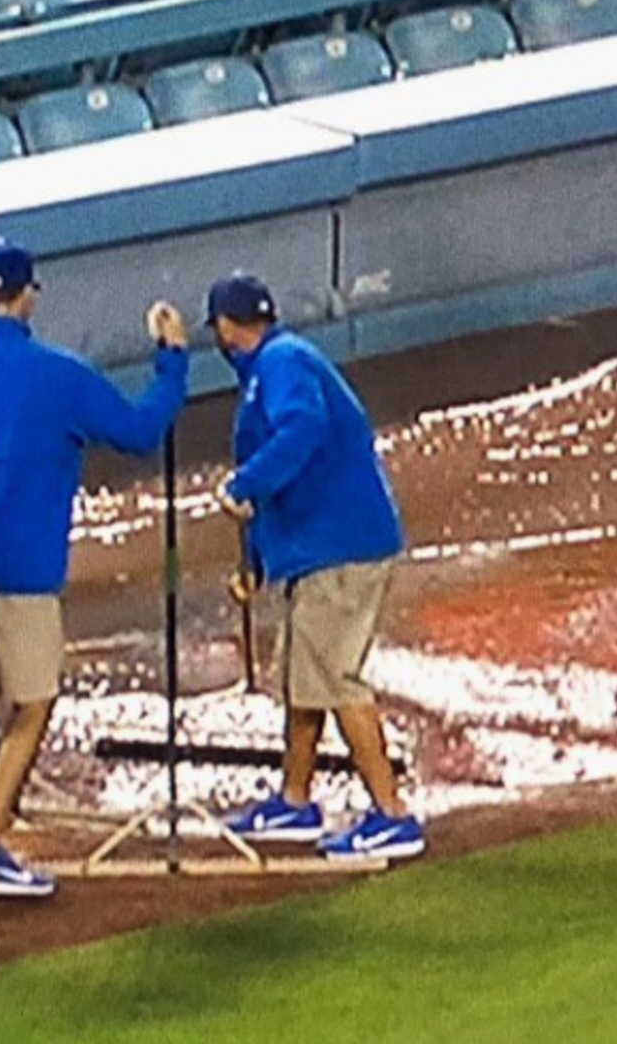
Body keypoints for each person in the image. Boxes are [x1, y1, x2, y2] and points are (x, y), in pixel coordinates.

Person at [0, 241, 189, 895]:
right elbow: (139, 433)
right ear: (27, 296)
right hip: (20, 572)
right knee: (32, 703)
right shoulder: (60, 374)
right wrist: (172, 362)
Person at [213, 275, 425, 862]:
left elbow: (300, 431)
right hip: (320, 547)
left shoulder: (282, 363)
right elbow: (283, 468)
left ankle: (392, 815)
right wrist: (256, 563)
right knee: (304, 680)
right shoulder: (277, 365)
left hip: (342, 548)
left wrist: (244, 482)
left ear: (227, 328)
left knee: (333, 678)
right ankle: (295, 801)